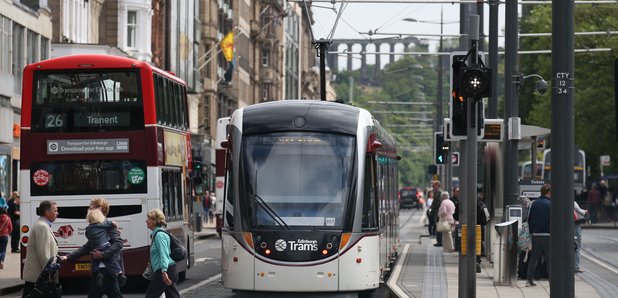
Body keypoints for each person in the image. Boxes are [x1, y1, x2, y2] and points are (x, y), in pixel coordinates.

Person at [60, 198, 124, 298]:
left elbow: (118, 243)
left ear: (100, 208)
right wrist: (68, 257)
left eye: (91, 206)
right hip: (102, 271)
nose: (89, 208)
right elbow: (87, 247)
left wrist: (103, 254)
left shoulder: (108, 226)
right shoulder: (94, 227)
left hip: (106, 270)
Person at [22, 200, 59, 297]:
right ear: (47, 212)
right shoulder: (42, 227)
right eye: (55, 211)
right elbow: (44, 254)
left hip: (37, 277)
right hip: (38, 278)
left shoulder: (43, 225)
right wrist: (49, 275)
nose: (57, 213)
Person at [146, 208, 180, 298]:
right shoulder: (157, 234)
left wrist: (164, 271)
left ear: (154, 221)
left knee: (151, 296)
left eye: (149, 219)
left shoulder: (159, 235)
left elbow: (164, 253)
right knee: (172, 295)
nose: (146, 221)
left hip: (165, 269)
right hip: (169, 268)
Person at [526, 184, 551, 287]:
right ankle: (551, 281)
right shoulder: (550, 204)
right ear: (548, 192)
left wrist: (532, 231)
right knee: (550, 259)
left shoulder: (533, 203)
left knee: (534, 258)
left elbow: (529, 219)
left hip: (536, 234)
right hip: (547, 234)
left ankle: (529, 280)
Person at [476, 193, 490, 273]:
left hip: (469, 226)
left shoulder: (470, 204)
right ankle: (477, 258)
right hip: (479, 227)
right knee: (478, 242)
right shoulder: (483, 206)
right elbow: (487, 217)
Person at [429, 181, 444, 246]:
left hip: (439, 212)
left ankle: (440, 241)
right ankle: (439, 241)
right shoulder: (436, 192)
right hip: (436, 212)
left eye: (435, 185)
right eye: (433, 186)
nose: (433, 187)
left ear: (438, 186)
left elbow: (438, 203)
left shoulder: (440, 193)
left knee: (439, 227)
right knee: (438, 227)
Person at [574, 201, 587, 273]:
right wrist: (585, 211)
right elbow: (581, 211)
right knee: (577, 246)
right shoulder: (573, 202)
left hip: (566, 226)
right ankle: (576, 266)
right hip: (575, 225)